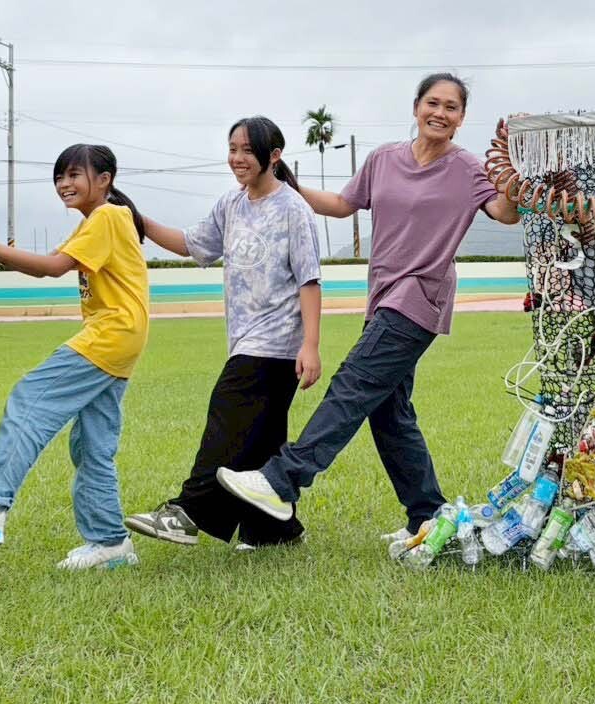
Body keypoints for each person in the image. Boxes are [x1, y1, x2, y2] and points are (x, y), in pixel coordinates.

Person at [217, 73, 520, 542]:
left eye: (452, 107)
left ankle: (281, 480)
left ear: (462, 118)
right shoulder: (383, 159)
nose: (440, 113)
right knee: (390, 413)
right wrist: (286, 184)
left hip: (420, 296)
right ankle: (428, 517)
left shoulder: (467, 169)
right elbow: (341, 204)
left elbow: (505, 212)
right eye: (432, 103)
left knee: (354, 386)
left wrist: (516, 183)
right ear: (417, 107)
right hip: (383, 298)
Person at [0, 143, 151, 572]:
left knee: (30, 398)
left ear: (104, 180)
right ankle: (110, 543)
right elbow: (47, 265)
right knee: (93, 445)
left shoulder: (106, 216)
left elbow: (52, 267)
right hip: (125, 339)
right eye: (59, 177)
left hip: (110, 335)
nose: (65, 184)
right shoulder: (103, 220)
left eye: (74, 175)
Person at [125, 117, 322, 550]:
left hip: (276, 342)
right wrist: (136, 220)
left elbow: (309, 280)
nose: (237, 158)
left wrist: (310, 345)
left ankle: (188, 512)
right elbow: (191, 244)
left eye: (247, 150)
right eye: (232, 148)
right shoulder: (231, 205)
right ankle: (274, 529)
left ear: (274, 156)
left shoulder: (294, 210)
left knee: (228, 418)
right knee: (261, 438)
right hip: (244, 337)